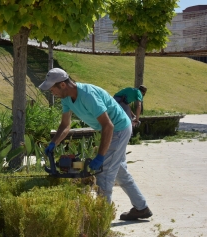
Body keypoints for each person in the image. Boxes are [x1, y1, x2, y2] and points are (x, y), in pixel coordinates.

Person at [39, 68, 152, 220]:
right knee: (119, 171)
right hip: (112, 129)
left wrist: (100, 157)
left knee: (103, 174)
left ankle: (100, 220)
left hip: (118, 128)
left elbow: (108, 126)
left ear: (63, 85)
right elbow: (65, 125)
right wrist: (53, 143)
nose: (51, 93)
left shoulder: (87, 95)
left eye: (52, 89)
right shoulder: (66, 99)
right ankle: (141, 207)